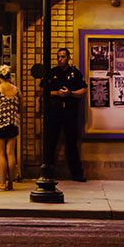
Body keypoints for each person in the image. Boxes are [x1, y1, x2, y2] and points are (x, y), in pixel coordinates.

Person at [45, 47, 87, 182]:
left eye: (63, 56)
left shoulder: (75, 73)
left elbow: (83, 90)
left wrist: (70, 93)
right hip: (54, 112)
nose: (60, 59)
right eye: (58, 57)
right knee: (51, 142)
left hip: (70, 112)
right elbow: (43, 91)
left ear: (68, 58)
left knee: (71, 144)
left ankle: (76, 173)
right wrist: (57, 93)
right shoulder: (52, 73)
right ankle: (47, 172)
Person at [0, 64, 21, 191]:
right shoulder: (16, 90)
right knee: (11, 153)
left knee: (1, 155)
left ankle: (2, 183)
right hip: (12, 124)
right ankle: (11, 183)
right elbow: (21, 108)